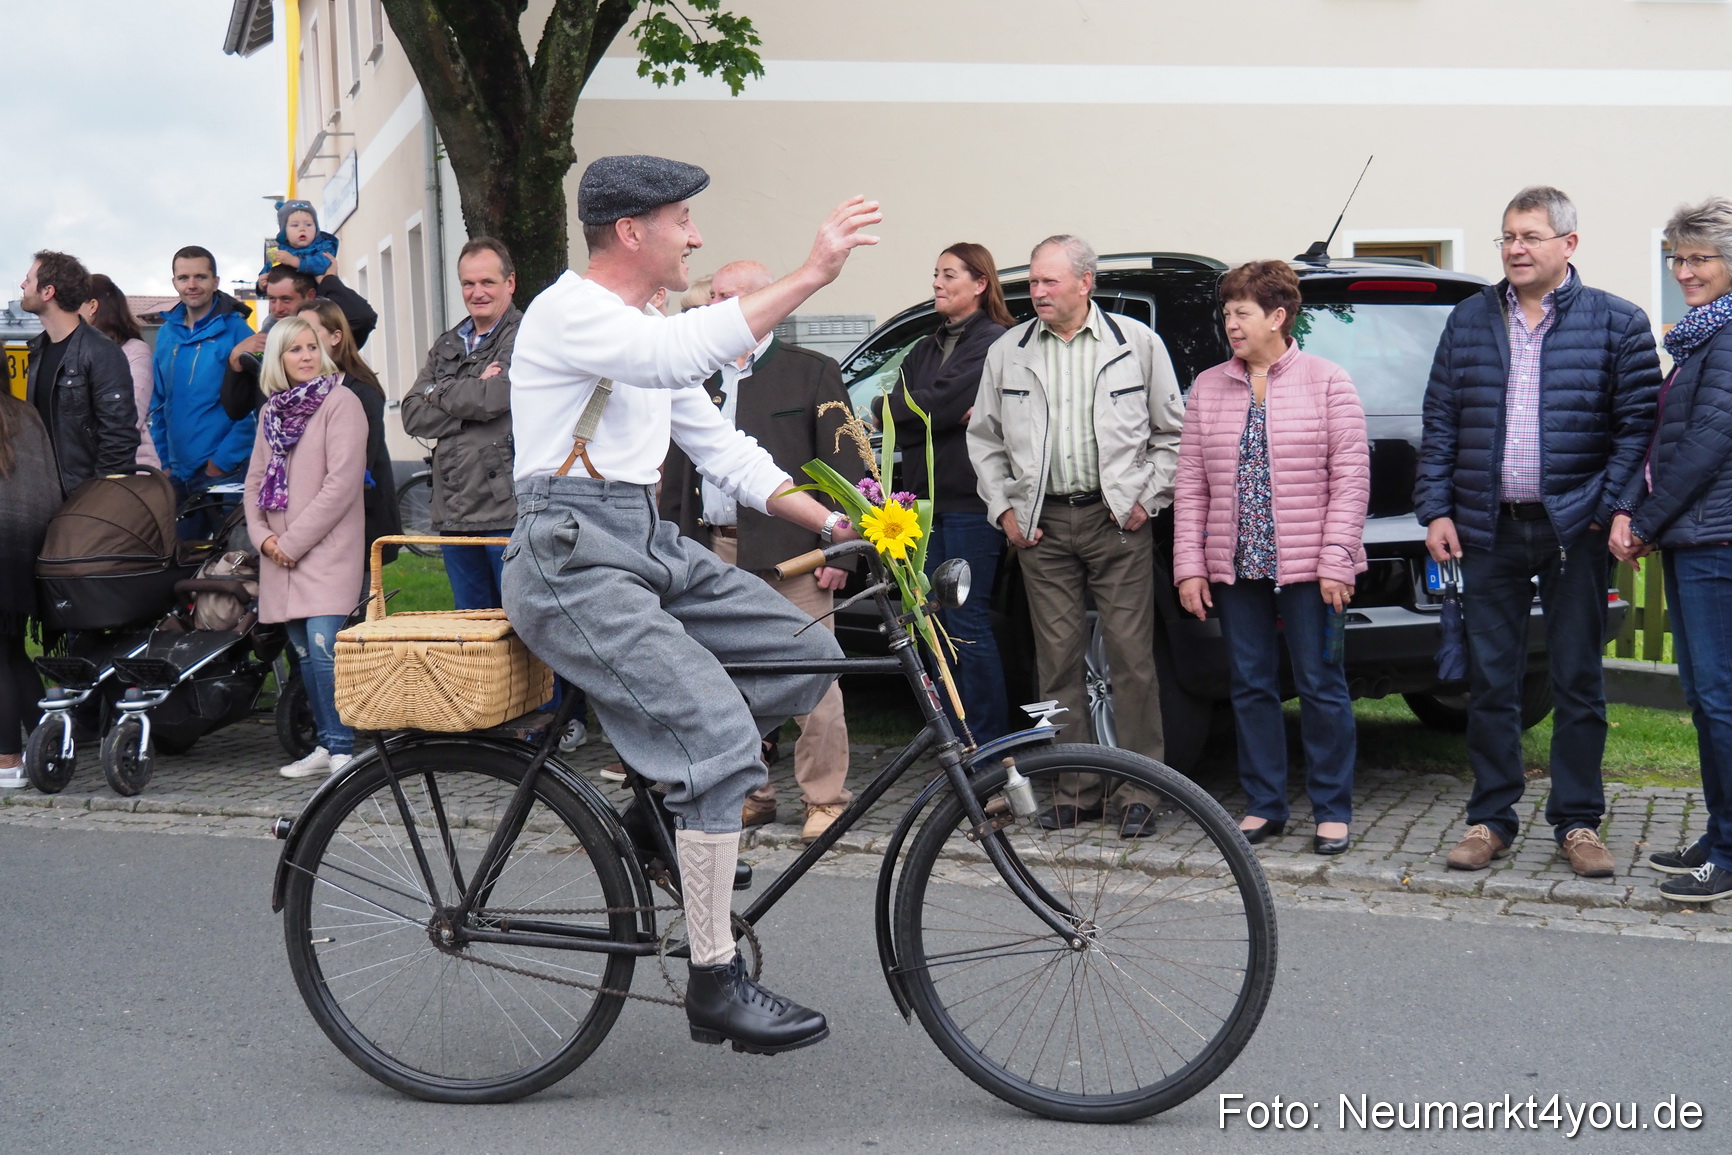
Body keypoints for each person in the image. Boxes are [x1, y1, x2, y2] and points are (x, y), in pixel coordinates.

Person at [503, 153, 878, 1054]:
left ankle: (650, 813)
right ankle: (715, 980)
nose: (696, 236)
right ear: (631, 232)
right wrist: (812, 273)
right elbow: (678, 352)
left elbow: (726, 450)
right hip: (570, 552)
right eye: (682, 220)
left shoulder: (643, 322)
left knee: (808, 655)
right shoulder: (572, 313)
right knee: (716, 742)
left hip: (642, 541)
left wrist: (835, 517)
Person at [1416, 186, 1661, 877]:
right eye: (1507, 237)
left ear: (1568, 245)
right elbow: (1441, 422)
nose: (1516, 249)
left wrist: (1607, 507)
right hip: (1485, 529)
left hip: (1574, 531)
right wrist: (1436, 507)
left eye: (1529, 236)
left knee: (1579, 678)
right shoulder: (1468, 321)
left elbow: (1635, 428)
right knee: (1491, 682)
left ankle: (1579, 822)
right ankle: (1490, 819)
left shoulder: (1618, 323)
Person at [966, 235, 1184, 838]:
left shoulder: (1137, 344)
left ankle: (1142, 787)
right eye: (1033, 283)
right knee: (1055, 661)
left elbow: (1173, 434)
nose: (1036, 293)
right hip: (1040, 526)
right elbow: (983, 440)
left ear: (1085, 283)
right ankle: (1075, 789)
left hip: (1116, 520)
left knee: (1131, 659)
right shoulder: (1009, 351)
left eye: (1048, 282)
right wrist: (1004, 510)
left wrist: (1147, 499)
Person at [660, 258, 863, 841]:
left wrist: (841, 555)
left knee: (817, 679)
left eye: (728, 295)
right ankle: (752, 791)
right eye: (714, 295)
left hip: (798, 553)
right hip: (714, 550)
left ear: (763, 299)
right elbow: (678, 471)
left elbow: (847, 467)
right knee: (723, 681)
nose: (716, 305)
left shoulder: (811, 371)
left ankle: (825, 797)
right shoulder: (694, 373)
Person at [1174, 260, 1370, 854]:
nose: (1230, 323)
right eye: (1227, 313)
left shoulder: (1327, 380)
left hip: (1314, 564)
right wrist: (1189, 565)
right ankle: (1264, 805)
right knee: (1251, 684)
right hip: (1237, 563)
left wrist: (1338, 557)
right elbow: (1191, 485)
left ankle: (1332, 809)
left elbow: (1351, 477)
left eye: (1242, 313)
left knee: (1320, 684)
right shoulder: (1209, 385)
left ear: (1278, 317)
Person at [1614, 196, 1732, 902]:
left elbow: (1706, 446)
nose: (1684, 271)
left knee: (1720, 700)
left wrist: (1647, 520)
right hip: (1696, 538)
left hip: (1716, 539)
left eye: (1699, 259)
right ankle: (1720, 834)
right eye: (1677, 259)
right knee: (1705, 696)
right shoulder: (1700, 338)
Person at [887, 243, 1016, 744]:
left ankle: (988, 747)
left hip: (969, 504)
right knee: (931, 627)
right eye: (935, 274)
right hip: (920, 505)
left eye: (948, 275)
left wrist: (924, 412)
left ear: (979, 283)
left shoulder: (995, 342)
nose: (937, 284)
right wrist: (929, 413)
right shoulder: (924, 347)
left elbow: (929, 406)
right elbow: (891, 405)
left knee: (966, 623)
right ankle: (954, 743)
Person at [244, 317, 368, 780]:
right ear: (278, 359)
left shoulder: (342, 403)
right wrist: (264, 540)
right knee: (300, 653)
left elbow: (341, 485)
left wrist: (289, 543)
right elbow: (255, 481)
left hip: (325, 551)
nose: (306, 356)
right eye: (294, 349)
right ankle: (325, 743)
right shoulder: (271, 411)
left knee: (324, 649)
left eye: (311, 346)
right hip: (282, 557)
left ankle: (341, 749)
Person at [400, 238, 524, 612]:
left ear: (510, 284)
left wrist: (438, 390)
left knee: (521, 625)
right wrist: (466, 391)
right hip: (453, 508)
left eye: (487, 282)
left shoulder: (525, 335)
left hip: (505, 508)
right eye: (468, 284)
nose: (477, 292)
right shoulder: (449, 343)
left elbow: (493, 400)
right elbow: (411, 414)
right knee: (471, 634)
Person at [152, 245, 258, 538]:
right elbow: (158, 403)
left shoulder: (239, 333)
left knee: (233, 568)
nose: (192, 285)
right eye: (183, 277)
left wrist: (220, 463)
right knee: (183, 568)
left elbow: (254, 408)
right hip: (178, 474)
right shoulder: (166, 333)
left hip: (226, 473)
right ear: (174, 282)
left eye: (200, 276)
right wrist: (165, 462)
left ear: (216, 282)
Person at [20, 250, 139, 495]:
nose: (23, 285)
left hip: (84, 500)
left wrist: (97, 503)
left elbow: (119, 438)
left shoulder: (101, 352)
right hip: (47, 495)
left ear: (47, 292)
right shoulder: (39, 349)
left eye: (29, 280)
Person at [293, 298, 402, 563]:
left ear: (336, 337)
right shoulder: (295, 389)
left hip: (360, 520)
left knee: (353, 603)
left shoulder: (361, 390)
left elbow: (354, 467)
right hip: (309, 519)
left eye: (311, 331)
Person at [221, 265, 379, 419]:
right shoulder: (265, 345)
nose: (277, 308)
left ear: (310, 295)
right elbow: (236, 410)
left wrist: (328, 280)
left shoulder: (326, 338)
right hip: (276, 441)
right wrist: (235, 360)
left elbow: (364, 318)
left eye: (286, 299)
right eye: (272, 299)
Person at [0, 393, 61, 787]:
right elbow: (46, 486)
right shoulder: (26, 414)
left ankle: (7, 760)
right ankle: (49, 749)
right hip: (25, 547)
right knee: (13, 649)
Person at [81, 273, 159, 469]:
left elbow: (129, 418)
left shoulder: (135, 351)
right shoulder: (77, 351)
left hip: (131, 471)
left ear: (92, 306)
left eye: (74, 304)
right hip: (88, 470)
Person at [261, 199, 339, 278]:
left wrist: (295, 261)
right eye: (295, 225)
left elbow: (323, 265)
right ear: (284, 232)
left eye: (308, 224)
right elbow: (268, 270)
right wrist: (262, 282)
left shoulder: (323, 246)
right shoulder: (280, 252)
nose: (302, 229)